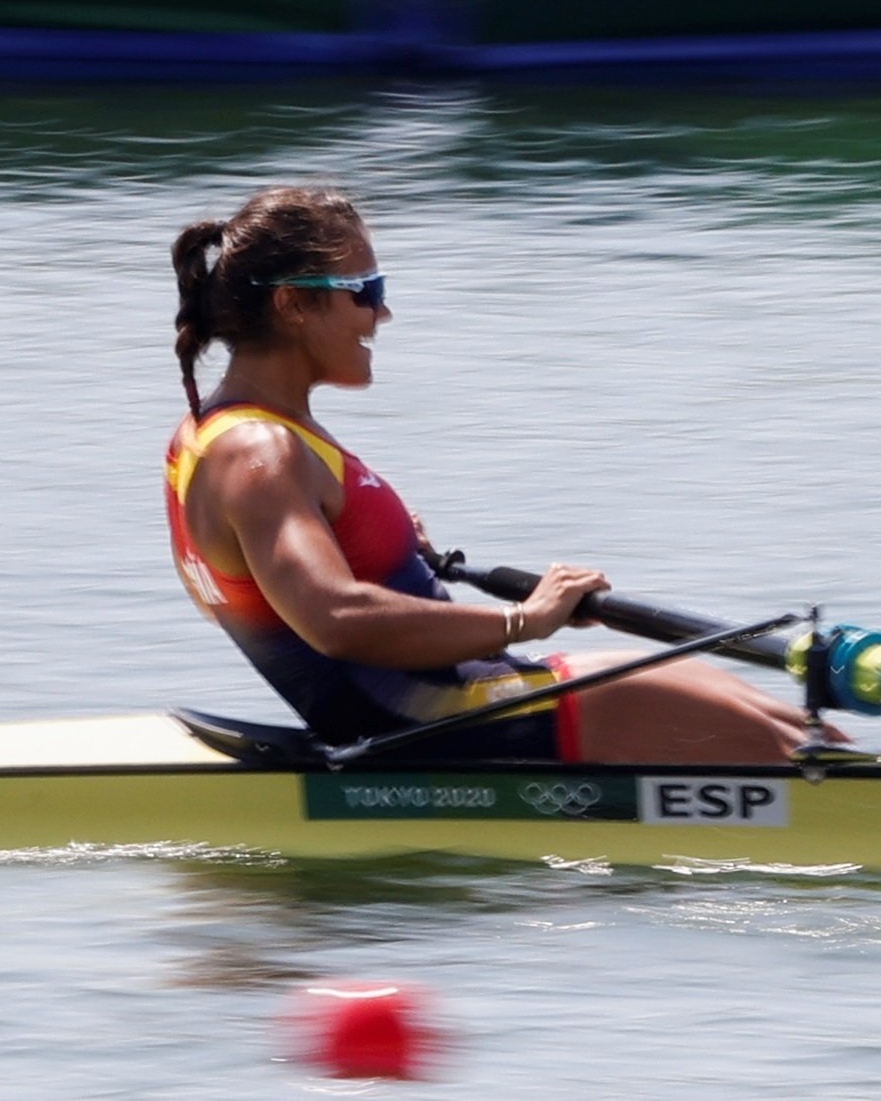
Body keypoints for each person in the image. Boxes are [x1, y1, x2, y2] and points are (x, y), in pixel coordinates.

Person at [165, 186, 812, 765]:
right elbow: (335, 617)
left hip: (449, 690)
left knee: (743, 701)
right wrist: (525, 619)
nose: (380, 314)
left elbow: (296, 565)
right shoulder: (258, 451)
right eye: (366, 291)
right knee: (774, 745)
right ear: (291, 304)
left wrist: (390, 548)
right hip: (421, 721)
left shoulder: (220, 432)